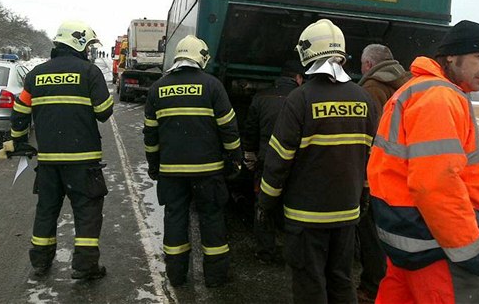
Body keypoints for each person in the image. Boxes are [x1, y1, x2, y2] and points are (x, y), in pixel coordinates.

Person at [367, 20, 479, 304]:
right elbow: (436, 185)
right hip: (438, 248)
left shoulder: (418, 89)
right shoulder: (439, 97)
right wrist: (469, 253)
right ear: (451, 56)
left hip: (409, 242)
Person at [258, 19, 378, 304]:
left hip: (305, 216)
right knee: (341, 279)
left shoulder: (300, 99)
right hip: (346, 214)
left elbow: (279, 160)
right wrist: (362, 197)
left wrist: (266, 202)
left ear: (307, 54)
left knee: (310, 283)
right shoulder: (364, 99)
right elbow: (371, 159)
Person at [7, 21, 114, 279]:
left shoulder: (36, 74)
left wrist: (18, 141)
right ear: (78, 43)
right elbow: (103, 112)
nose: (89, 50)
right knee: (87, 212)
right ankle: (85, 267)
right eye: (88, 45)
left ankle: (40, 261)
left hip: (48, 162)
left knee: (46, 210)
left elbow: (20, 113)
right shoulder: (89, 72)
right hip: (83, 161)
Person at [143, 34, 242, 288]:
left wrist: (154, 166)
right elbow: (228, 130)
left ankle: (176, 276)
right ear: (202, 58)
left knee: (175, 219)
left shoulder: (157, 89)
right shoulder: (212, 86)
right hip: (208, 172)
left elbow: (150, 134)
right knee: (212, 221)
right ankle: (216, 278)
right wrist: (234, 161)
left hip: (171, 173)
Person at [355, 44, 411, 301]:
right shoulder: (410, 84)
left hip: (380, 173)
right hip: (407, 171)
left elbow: (370, 134)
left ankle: (371, 286)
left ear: (368, 65)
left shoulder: (370, 89)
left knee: (371, 232)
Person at [242, 59, 304, 264]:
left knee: (263, 205)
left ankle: (265, 252)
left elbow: (250, 130)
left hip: (266, 161)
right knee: (293, 205)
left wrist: (249, 156)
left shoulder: (261, 97)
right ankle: (294, 251)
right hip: (295, 164)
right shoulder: (302, 98)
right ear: (298, 78)